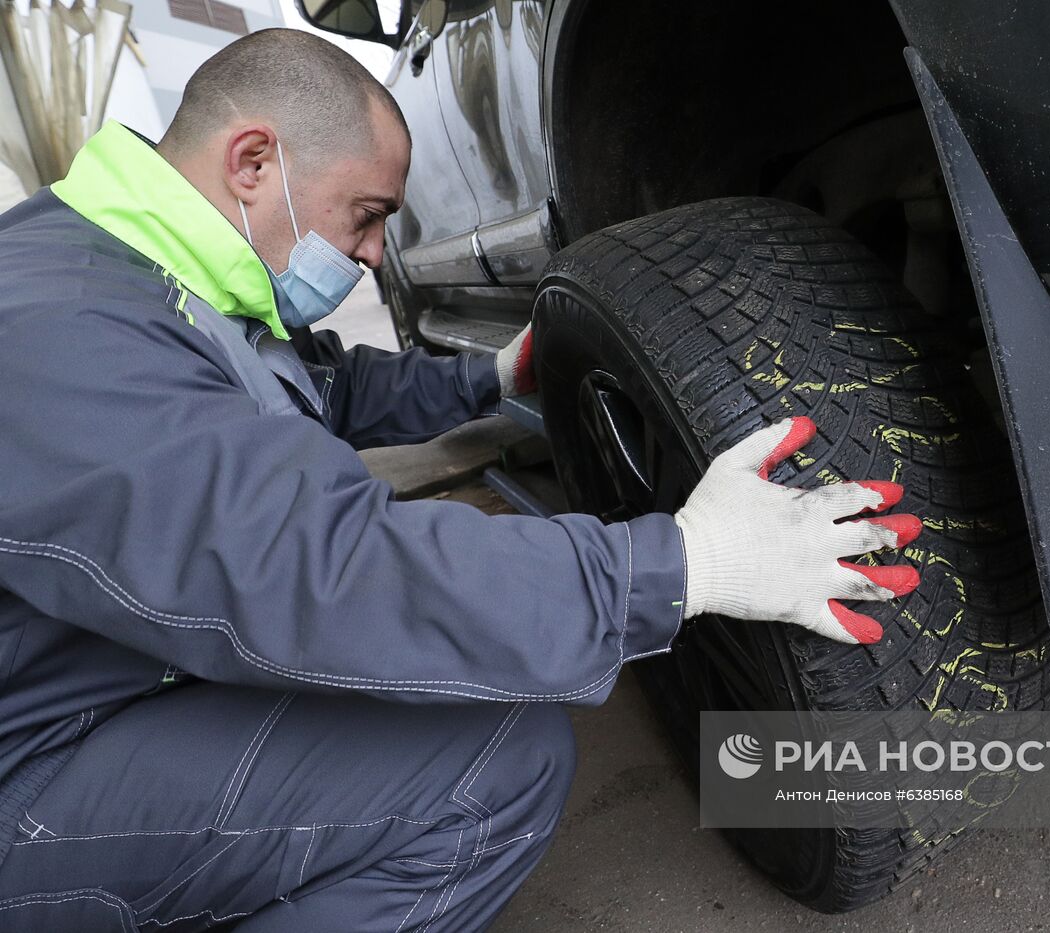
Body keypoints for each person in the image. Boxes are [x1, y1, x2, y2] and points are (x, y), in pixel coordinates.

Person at [0, 28, 920, 931]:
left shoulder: (178, 269)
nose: (370, 254)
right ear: (252, 163)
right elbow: (324, 573)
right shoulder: (60, 328)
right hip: (27, 779)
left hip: (88, 690)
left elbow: (328, 384)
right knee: (494, 767)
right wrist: (685, 564)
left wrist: (487, 374)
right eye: (366, 215)